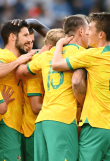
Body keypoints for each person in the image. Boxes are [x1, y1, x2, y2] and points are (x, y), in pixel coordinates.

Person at [14, 15, 89, 161]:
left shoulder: (46, 55)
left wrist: (33, 53)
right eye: (87, 31)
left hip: (42, 121)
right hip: (63, 119)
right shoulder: (82, 54)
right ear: (80, 31)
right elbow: (77, 82)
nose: (88, 36)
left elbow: (19, 72)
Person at [52, 12, 110, 161]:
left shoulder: (92, 55)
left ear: (101, 34)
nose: (88, 32)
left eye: (90, 28)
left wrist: (59, 44)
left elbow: (56, 65)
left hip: (96, 125)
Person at [0, 20, 33, 161]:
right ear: (13, 37)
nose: (29, 40)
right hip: (3, 122)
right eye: (25, 35)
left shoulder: (19, 57)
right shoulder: (4, 54)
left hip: (13, 124)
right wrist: (18, 62)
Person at [21, 28, 65, 161]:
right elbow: (35, 107)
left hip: (46, 126)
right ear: (53, 48)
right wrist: (62, 105)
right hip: (32, 130)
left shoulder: (47, 62)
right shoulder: (34, 67)